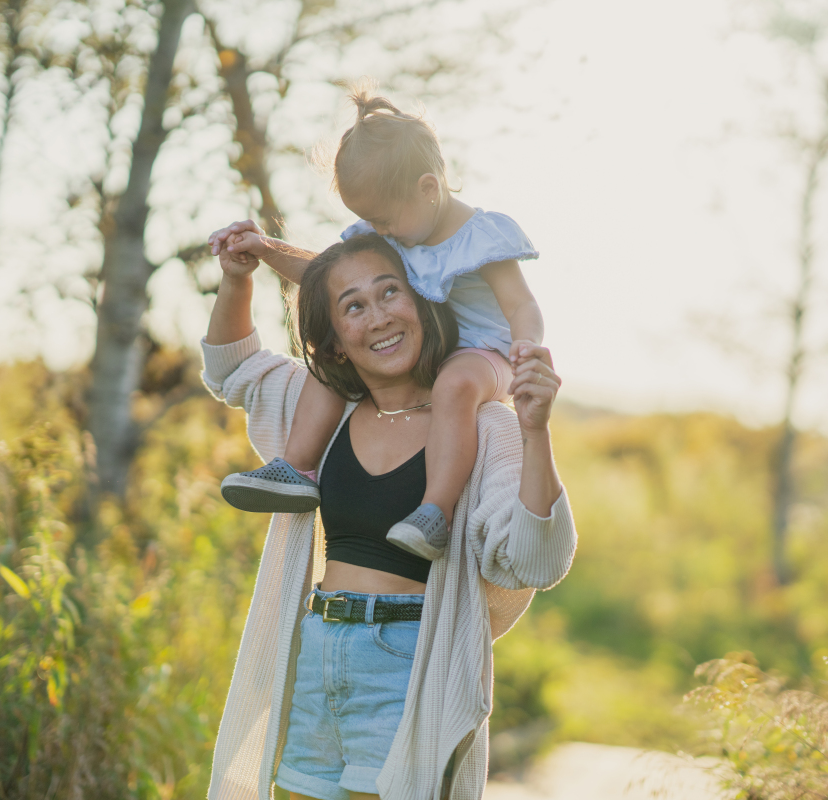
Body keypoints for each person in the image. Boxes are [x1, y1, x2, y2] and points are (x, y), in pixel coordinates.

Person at [201, 229, 575, 800]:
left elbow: (535, 560)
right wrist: (237, 278)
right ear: (334, 344)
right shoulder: (321, 415)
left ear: (424, 304)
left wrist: (536, 429)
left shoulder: (480, 424)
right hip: (317, 649)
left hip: (407, 664)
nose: (378, 317)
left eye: (390, 293)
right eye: (353, 306)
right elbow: (233, 370)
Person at [210, 84, 544, 563]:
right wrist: (265, 251)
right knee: (335, 363)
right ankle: (298, 469)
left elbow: (521, 306)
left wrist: (527, 348)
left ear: (429, 188)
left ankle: (435, 513)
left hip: (485, 355)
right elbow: (325, 278)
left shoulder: (481, 238)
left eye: (383, 220)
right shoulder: (402, 233)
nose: (378, 231)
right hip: (431, 347)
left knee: (454, 386)